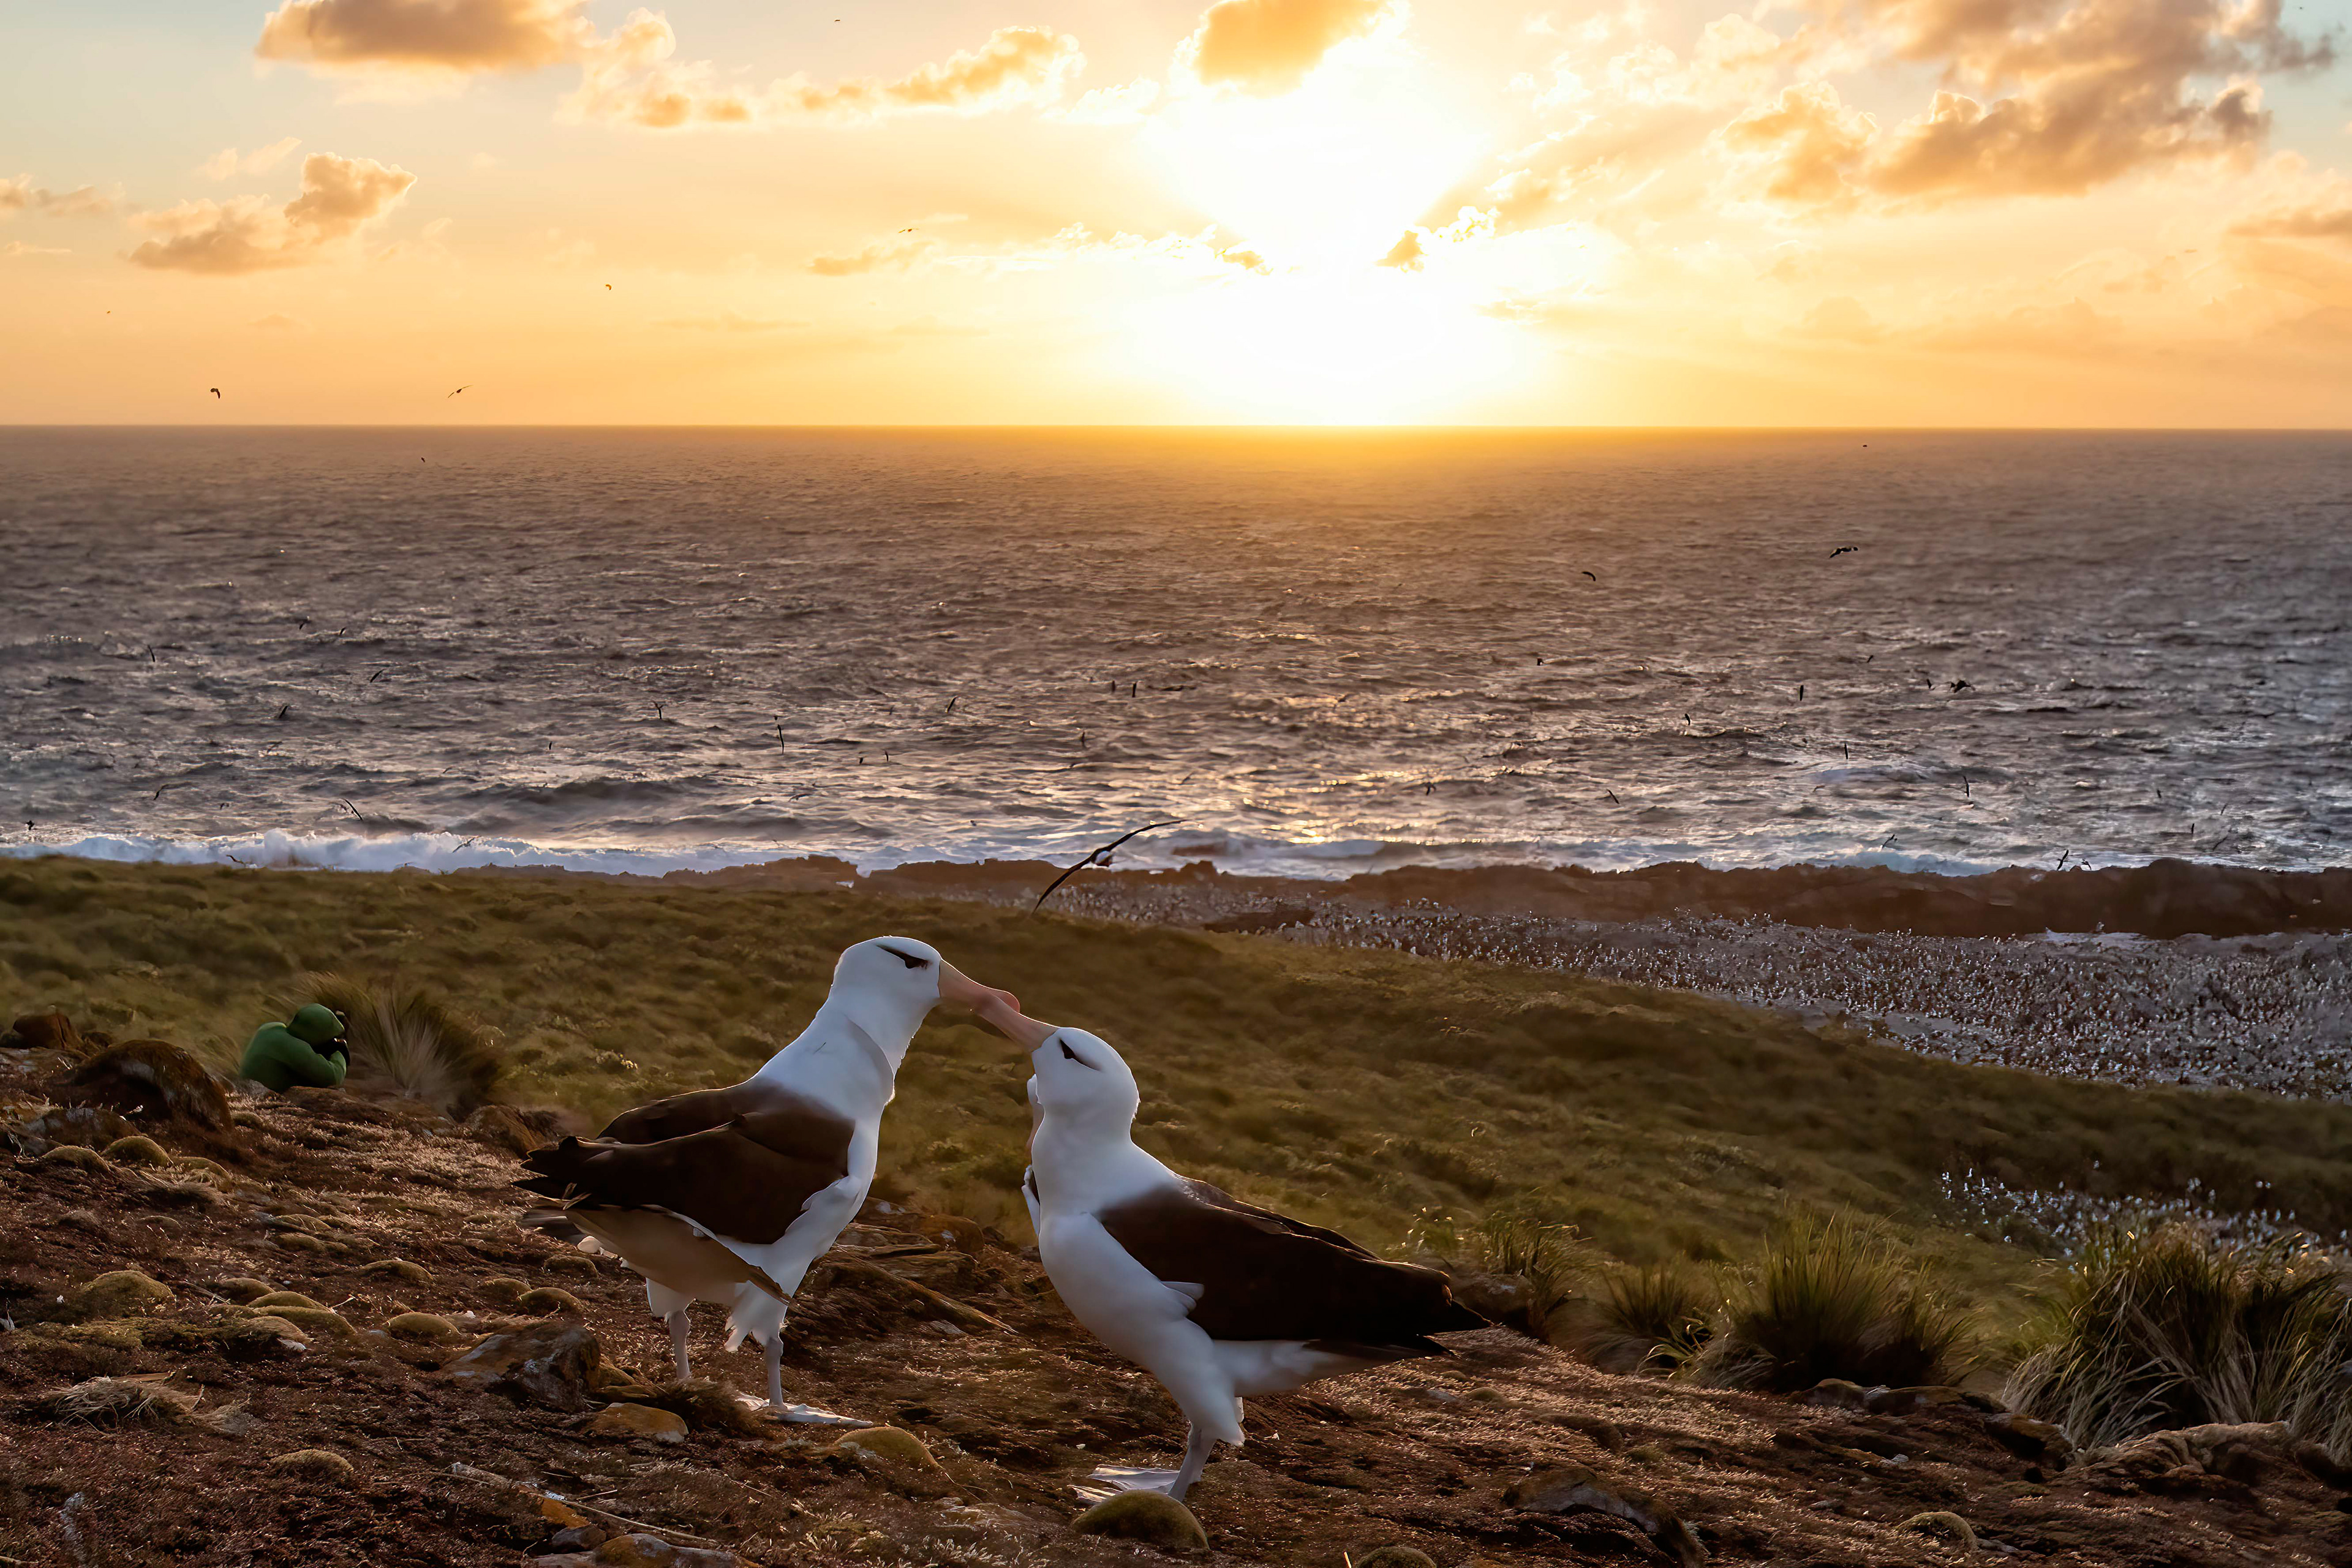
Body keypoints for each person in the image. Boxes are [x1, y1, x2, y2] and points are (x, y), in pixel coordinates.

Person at [238, 1004, 351, 1091]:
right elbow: (333, 1078)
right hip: (258, 1099)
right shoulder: (294, 1048)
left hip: (244, 1089)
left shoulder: (270, 1028)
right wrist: (339, 1052)